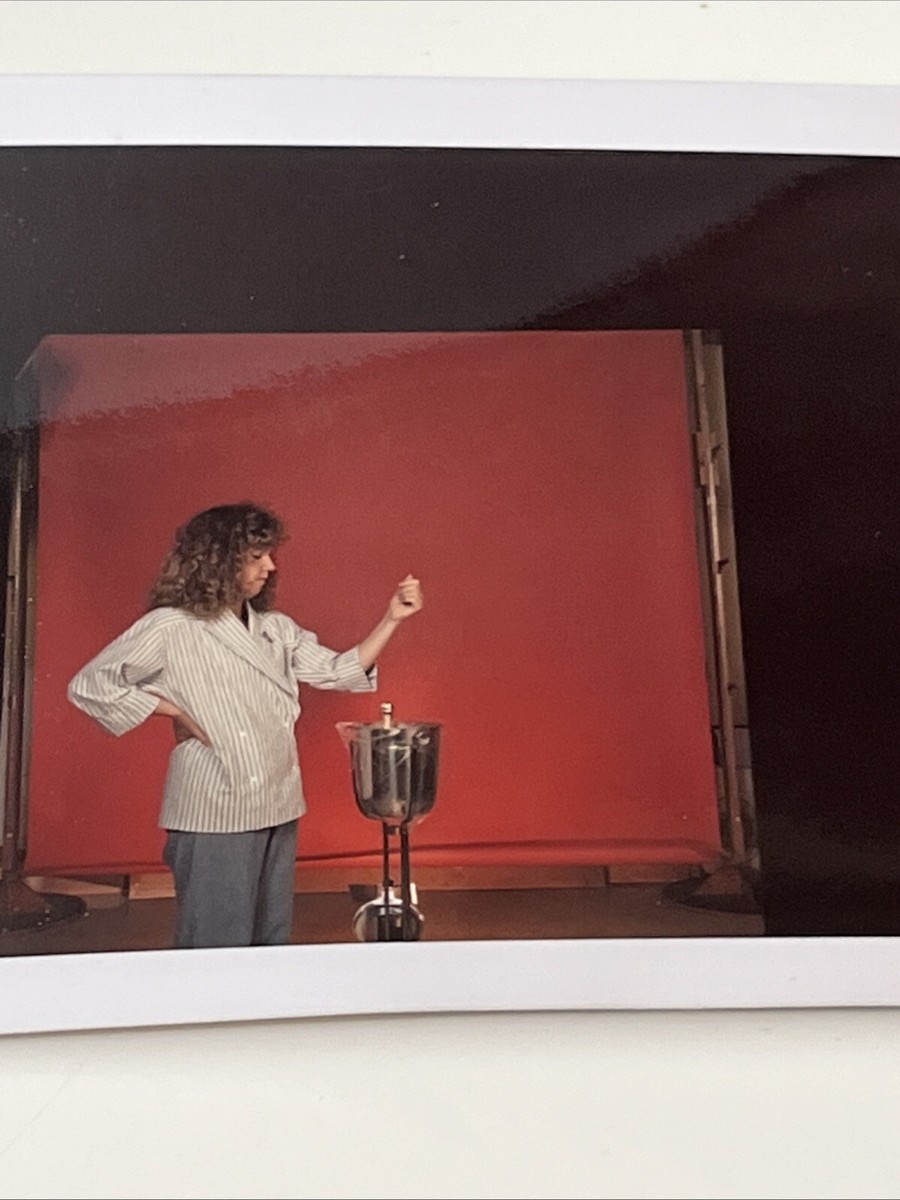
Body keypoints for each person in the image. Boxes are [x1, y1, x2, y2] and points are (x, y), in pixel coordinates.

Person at [67, 502, 423, 950]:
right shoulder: (171, 627)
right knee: (218, 940)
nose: (270, 567)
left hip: (278, 800)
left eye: (269, 555)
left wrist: (392, 618)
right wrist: (172, 709)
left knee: (270, 938)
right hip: (217, 801)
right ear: (219, 560)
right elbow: (90, 685)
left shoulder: (275, 628)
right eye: (256, 557)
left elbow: (336, 670)